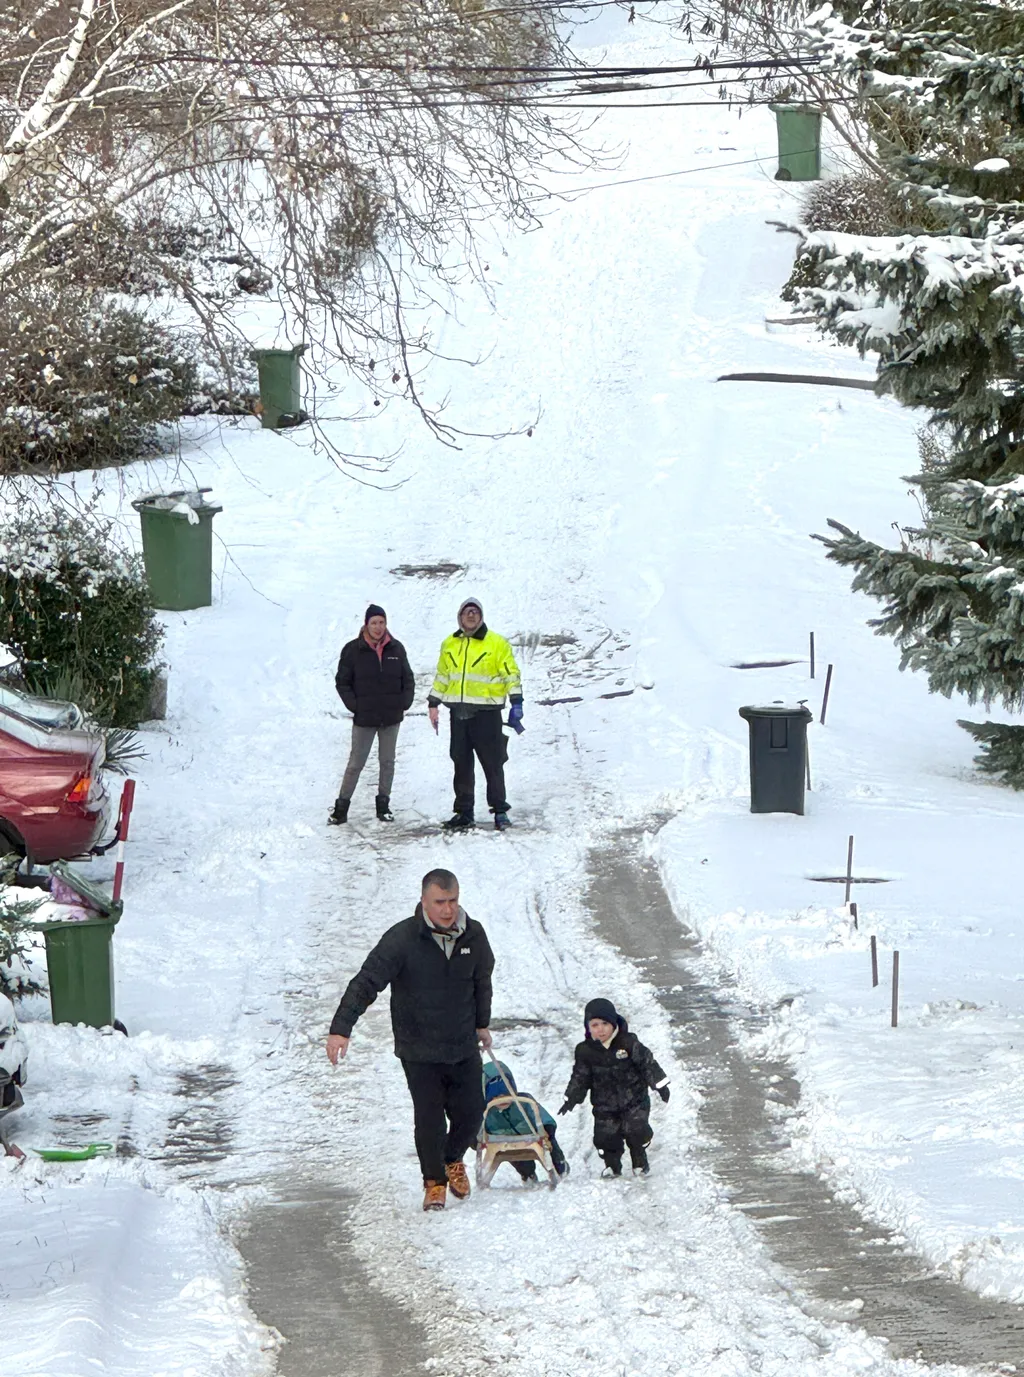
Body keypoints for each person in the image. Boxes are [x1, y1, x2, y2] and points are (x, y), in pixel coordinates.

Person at [326, 868, 494, 1212]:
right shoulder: (402, 939)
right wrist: (342, 1027)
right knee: (429, 1118)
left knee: (472, 1113)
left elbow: (482, 982)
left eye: (453, 901)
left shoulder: (473, 936)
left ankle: (452, 1159)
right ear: (424, 901)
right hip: (419, 1047)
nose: (448, 909)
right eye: (440, 902)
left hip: (462, 1042)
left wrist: (481, 1024)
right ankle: (434, 1182)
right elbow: (366, 981)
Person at [427, 597, 523, 832]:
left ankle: (500, 811)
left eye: (475, 612)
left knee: (493, 763)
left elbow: (511, 673)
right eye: (466, 612)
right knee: (460, 763)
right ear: (460, 617)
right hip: (458, 713)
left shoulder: (496, 643)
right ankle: (464, 812)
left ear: (481, 617)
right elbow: (442, 676)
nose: (471, 616)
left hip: (486, 714)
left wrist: (517, 701)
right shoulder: (449, 643)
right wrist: (433, 702)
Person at [558, 997, 670, 1177]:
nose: (600, 1029)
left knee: (636, 1130)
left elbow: (647, 1064)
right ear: (588, 1027)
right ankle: (612, 1165)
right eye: (594, 1025)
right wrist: (571, 1098)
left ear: (613, 1023)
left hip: (634, 1100)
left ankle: (639, 1158)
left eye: (604, 1023)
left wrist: (660, 1085)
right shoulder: (585, 1051)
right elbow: (580, 1076)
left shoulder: (628, 1043)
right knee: (605, 1137)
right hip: (604, 1105)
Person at [330, 604, 415, 825]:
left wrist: (404, 702)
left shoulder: (396, 649)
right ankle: (341, 808)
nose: (378, 627)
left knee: (387, 761)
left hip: (391, 717)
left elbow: (408, 679)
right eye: (374, 623)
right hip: (364, 717)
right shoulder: (352, 650)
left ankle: (383, 805)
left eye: (382, 622)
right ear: (366, 625)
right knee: (356, 762)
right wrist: (355, 705)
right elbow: (342, 682)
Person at [481, 1059, 569, 1182]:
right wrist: (476, 1139)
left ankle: (559, 1166)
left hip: (531, 1135)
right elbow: (477, 1126)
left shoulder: (524, 1102)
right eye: (496, 1097)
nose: (502, 1100)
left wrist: (547, 1128)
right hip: (503, 1140)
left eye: (506, 1095)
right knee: (520, 1161)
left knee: (549, 1146)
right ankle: (528, 1175)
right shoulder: (486, 1111)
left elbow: (540, 1115)